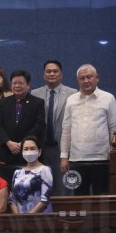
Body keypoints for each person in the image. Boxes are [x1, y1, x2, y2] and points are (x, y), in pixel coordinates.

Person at [60, 64, 116, 195]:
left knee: (102, 199)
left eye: (89, 77)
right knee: (79, 199)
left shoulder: (108, 98)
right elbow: (66, 130)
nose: (86, 81)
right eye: (82, 78)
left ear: (97, 78)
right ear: (78, 81)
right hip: (76, 160)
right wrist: (64, 157)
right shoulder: (71, 100)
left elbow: (113, 128)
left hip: (102, 159)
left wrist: (114, 156)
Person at [31, 60, 77, 196]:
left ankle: (63, 216)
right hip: (42, 149)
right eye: (48, 71)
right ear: (44, 75)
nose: (52, 74)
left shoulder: (72, 93)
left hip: (62, 149)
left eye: (55, 71)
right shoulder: (34, 93)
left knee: (64, 187)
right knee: (43, 188)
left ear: (61, 75)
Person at [0, 70, 45, 185]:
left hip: (28, 154)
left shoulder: (37, 103)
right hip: (8, 153)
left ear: (28, 85)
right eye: (14, 83)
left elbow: (39, 125)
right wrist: (8, 142)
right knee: (8, 187)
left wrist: (23, 143)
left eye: (21, 83)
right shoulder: (3, 102)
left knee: (29, 187)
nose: (17, 86)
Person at [9, 136, 53, 214]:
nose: (29, 151)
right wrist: (18, 217)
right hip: (19, 220)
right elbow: (12, 199)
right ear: (22, 152)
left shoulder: (45, 170)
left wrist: (29, 216)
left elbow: (45, 199)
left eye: (32, 149)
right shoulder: (17, 172)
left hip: (40, 218)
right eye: (26, 149)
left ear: (39, 151)